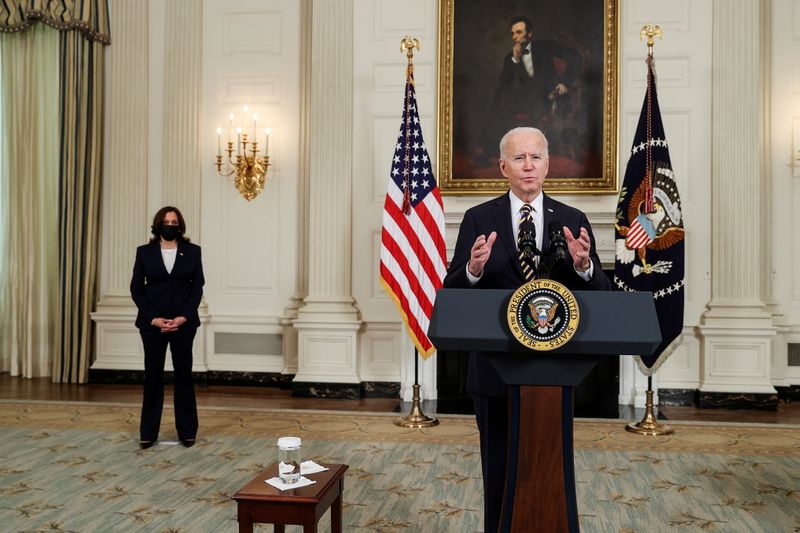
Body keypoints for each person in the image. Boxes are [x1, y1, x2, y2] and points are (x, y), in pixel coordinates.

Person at [443, 127, 611, 532]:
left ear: (549, 165)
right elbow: (453, 289)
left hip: (555, 370)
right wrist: (473, 269)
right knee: (498, 468)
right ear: (503, 167)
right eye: (519, 158)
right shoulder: (478, 218)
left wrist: (584, 265)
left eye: (536, 157)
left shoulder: (573, 220)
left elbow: (601, 289)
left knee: (548, 465)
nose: (529, 165)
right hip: (494, 370)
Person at [130, 206, 204, 449]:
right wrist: (153, 318)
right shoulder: (144, 252)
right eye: (166, 221)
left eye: (174, 221)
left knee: (184, 376)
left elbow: (197, 288)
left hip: (184, 324)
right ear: (157, 225)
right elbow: (136, 289)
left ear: (180, 225)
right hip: (152, 324)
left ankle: (188, 432)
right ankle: (148, 433)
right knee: (153, 376)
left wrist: (184, 316)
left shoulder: (193, 252)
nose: (170, 225)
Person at [484, 16, 581, 161]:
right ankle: (490, 148)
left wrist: (565, 82)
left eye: (518, 32)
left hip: (551, 95)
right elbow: (504, 83)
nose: (514, 37)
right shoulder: (510, 57)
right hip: (528, 98)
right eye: (512, 33)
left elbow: (576, 56)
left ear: (529, 34)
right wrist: (515, 60)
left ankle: (493, 147)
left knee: (506, 98)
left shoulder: (546, 46)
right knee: (500, 95)